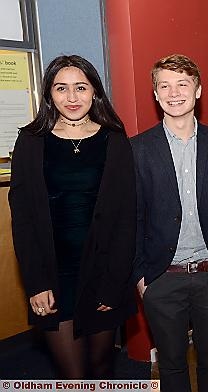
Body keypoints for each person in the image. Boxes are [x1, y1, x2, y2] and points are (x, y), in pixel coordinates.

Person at [9, 55, 136, 379]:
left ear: (95, 91)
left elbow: (126, 218)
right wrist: (35, 284)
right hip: (53, 276)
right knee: (73, 378)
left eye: (81, 87)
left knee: (101, 369)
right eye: (61, 88)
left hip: (103, 272)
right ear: (49, 94)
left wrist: (114, 284)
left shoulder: (115, 138)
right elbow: (22, 220)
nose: (72, 97)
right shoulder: (30, 141)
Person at [131, 54, 208, 392]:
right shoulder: (137, 149)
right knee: (172, 367)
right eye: (165, 86)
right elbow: (132, 218)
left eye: (183, 84)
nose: (174, 93)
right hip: (162, 279)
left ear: (198, 90)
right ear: (156, 94)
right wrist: (142, 277)